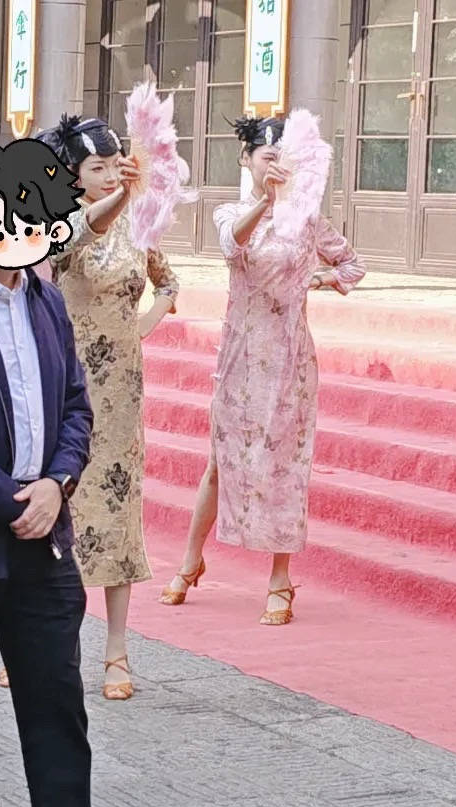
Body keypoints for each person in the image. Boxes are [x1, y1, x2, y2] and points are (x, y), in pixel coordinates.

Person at [0, 139, 146, 807]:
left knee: (57, 703)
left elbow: (75, 407)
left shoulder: (44, 298)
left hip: (45, 537)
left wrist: (57, 486)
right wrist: (9, 498)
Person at [159, 115, 365, 624]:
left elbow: (352, 264)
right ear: (246, 159)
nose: (275, 164)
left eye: (282, 156)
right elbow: (233, 244)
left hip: (291, 359)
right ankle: (190, 561)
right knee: (220, 461)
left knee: (285, 467)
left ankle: (280, 579)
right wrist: (266, 202)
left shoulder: (307, 218)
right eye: (266, 156)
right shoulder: (231, 211)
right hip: (240, 358)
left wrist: (318, 280)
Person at [36, 114, 178, 699]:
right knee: (59, 508)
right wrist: (121, 198)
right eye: (97, 167)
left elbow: (168, 282)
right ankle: (42, 641)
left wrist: (143, 325)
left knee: (119, 510)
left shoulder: (139, 227)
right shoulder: (60, 222)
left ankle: (117, 650)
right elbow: (82, 234)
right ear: (74, 174)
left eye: (115, 164)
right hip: (66, 386)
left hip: (122, 392)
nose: (109, 174)